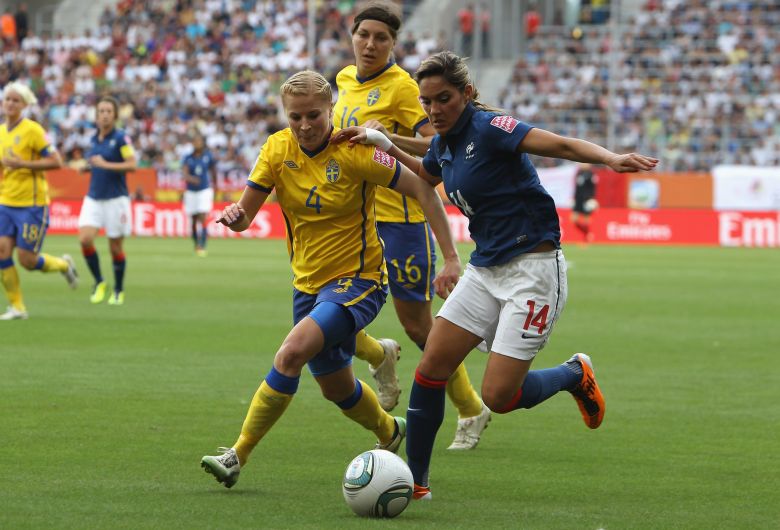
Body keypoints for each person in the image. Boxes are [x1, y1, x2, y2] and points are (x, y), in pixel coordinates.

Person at [333, 51, 658, 500]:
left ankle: (572, 374)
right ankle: (416, 482)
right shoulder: (445, 142)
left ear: (466, 93)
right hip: (485, 269)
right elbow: (428, 172)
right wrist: (384, 142)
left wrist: (610, 158)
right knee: (431, 368)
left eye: (443, 98)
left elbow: (560, 145)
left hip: (533, 272)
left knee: (500, 397)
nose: (433, 110)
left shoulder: (492, 128)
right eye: (426, 102)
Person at [199, 70, 461, 489]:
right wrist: (236, 217)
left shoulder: (356, 151)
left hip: (360, 280)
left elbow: (424, 188)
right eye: (295, 117)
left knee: (290, 354)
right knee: (336, 388)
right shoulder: (276, 149)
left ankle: (237, 454)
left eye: (314, 116)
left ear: (331, 111)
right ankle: (389, 431)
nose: (304, 126)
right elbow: (246, 214)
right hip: (307, 285)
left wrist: (450, 256)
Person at [334, 1, 490, 450]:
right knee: (333, 310)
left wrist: (385, 136)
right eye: (364, 34)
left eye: (381, 38)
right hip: (353, 220)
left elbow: (435, 144)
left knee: (420, 328)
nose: (370, 44)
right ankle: (379, 354)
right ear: (352, 35)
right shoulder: (344, 80)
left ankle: (471, 407)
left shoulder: (403, 88)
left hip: (399, 220)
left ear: (392, 44)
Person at [0, 81, 77, 320]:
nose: (11, 103)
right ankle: (17, 307)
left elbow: (57, 161)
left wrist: (24, 164)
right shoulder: (1, 132)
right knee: (2, 252)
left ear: (24, 105)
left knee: (27, 260)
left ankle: (63, 265)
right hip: (6, 202)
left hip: (32, 205)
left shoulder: (33, 130)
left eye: (16, 100)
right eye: (8, 99)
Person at [77, 95, 137, 306]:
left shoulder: (121, 138)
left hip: (116, 199)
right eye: (101, 111)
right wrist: (89, 167)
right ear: (96, 115)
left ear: (115, 115)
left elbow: (132, 164)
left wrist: (105, 164)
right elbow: (97, 163)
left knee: (115, 248)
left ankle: (118, 289)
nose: (104, 115)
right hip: (94, 197)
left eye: (108, 111)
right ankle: (99, 281)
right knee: (85, 239)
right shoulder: (94, 139)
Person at [181, 132, 217, 256]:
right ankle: (196, 243)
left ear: (202, 143)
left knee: (203, 216)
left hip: (204, 190)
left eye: (199, 141)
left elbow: (213, 171)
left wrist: (216, 186)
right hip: (191, 191)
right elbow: (184, 174)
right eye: (195, 141)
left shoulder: (208, 156)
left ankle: (202, 245)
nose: (197, 143)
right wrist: (191, 179)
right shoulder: (188, 157)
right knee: (193, 220)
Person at [571, 162, 598, 243]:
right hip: (578, 199)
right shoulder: (579, 173)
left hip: (586, 199)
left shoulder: (591, 174)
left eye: (584, 164)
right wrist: (574, 198)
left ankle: (586, 238)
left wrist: (591, 198)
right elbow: (577, 188)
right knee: (574, 219)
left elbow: (593, 188)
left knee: (586, 219)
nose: (581, 165)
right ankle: (587, 234)